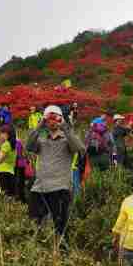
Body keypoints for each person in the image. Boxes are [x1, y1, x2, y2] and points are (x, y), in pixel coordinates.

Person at [26, 105, 86, 247]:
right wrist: (39, 125)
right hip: (39, 187)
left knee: (60, 227)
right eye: (49, 118)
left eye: (55, 117)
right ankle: (39, 251)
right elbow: (29, 146)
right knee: (35, 224)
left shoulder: (68, 139)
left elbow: (80, 149)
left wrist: (65, 127)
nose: (52, 121)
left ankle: (61, 252)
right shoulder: (42, 139)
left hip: (60, 188)